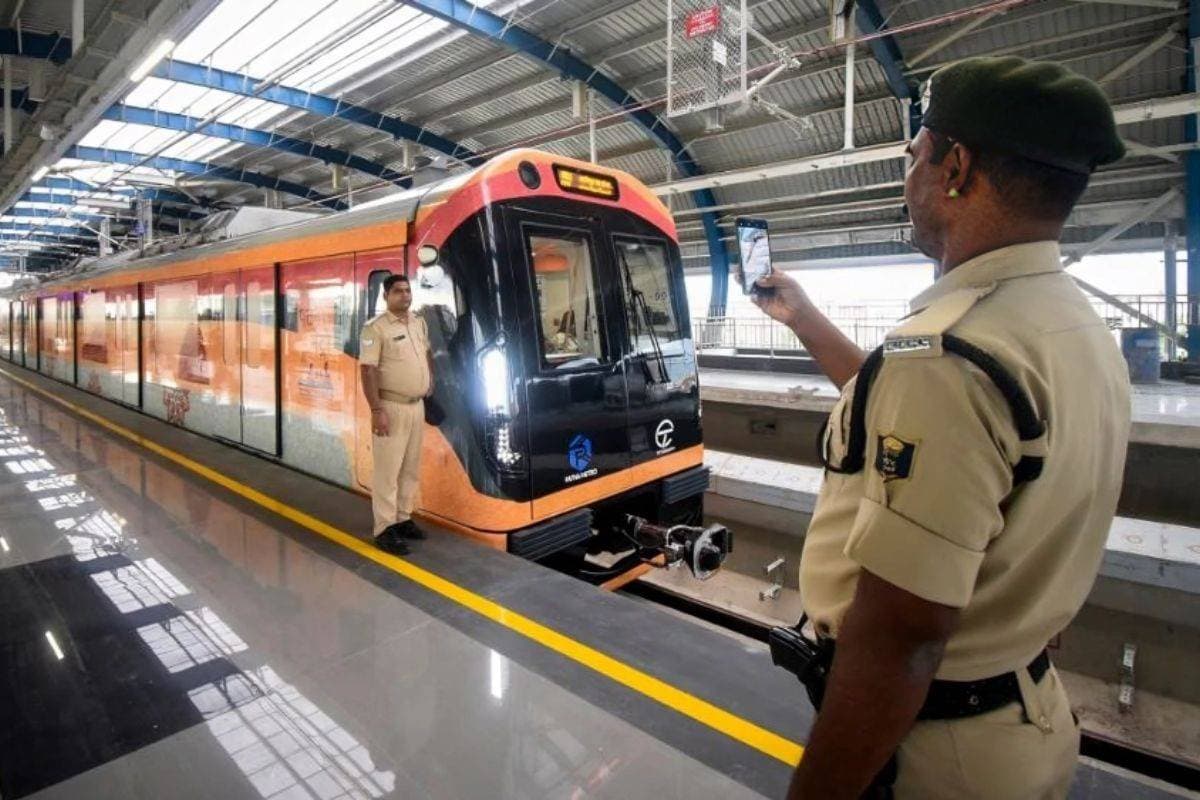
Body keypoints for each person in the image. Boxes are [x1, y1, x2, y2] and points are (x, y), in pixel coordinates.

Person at [752, 56, 1131, 799]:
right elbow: (896, 405)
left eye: (915, 155)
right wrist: (803, 318)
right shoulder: (1072, 330)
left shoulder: (952, 356)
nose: (910, 178)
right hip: (1023, 716)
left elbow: (902, 641)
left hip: (934, 753)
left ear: (955, 168)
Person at [360, 273, 436, 555]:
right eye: (398, 292)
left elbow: (427, 353)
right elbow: (367, 370)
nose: (405, 295)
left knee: (410, 468)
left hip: (416, 406)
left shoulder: (418, 322)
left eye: (407, 291)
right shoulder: (375, 329)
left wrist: (431, 380)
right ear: (386, 296)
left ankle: (403, 518)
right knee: (387, 472)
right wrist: (376, 409)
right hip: (390, 407)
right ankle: (384, 528)